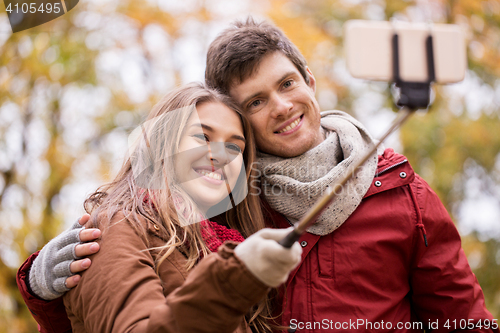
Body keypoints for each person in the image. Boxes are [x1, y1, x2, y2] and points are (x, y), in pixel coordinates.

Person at [18, 18, 498, 333]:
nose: (283, 107)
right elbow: (137, 297)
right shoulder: (222, 207)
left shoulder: (401, 193)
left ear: (309, 80)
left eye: (287, 84)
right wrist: (47, 292)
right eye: (256, 102)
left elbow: (463, 320)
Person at [19, 82, 302, 333]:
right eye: (202, 137)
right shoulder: (117, 226)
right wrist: (234, 281)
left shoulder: (225, 241)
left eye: (234, 148)